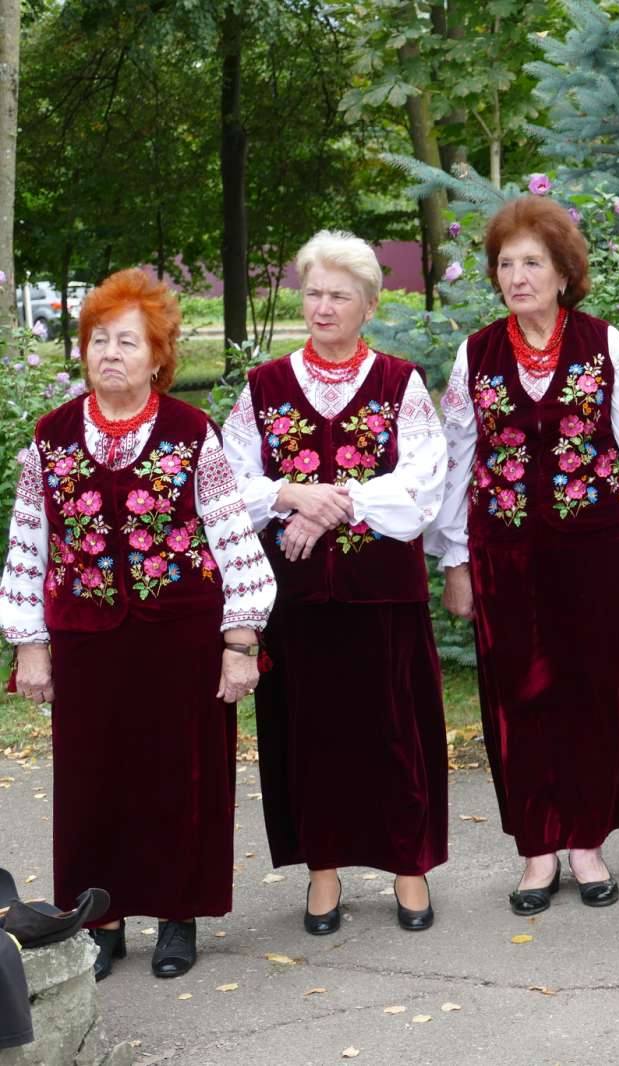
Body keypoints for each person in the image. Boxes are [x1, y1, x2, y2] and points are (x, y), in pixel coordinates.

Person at [1, 269, 275, 978]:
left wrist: (240, 641)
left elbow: (232, 538)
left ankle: (177, 918)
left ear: (158, 357)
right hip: (87, 642)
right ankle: (101, 921)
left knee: (178, 779)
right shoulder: (52, 437)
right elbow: (29, 545)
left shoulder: (192, 433)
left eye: (128, 341)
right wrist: (30, 645)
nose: (111, 353)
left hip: (179, 639)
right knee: (93, 785)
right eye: (99, 340)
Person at [430, 195, 619, 913]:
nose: (518, 276)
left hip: (596, 551)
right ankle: (537, 849)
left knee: (594, 693)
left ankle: (587, 842)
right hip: (505, 556)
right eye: (506, 264)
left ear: (564, 273)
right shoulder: (476, 353)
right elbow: (456, 461)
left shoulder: (604, 344)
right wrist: (454, 560)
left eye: (533, 263)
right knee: (520, 700)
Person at [222, 231, 449, 933]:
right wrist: (291, 493)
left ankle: (407, 866)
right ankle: (323, 871)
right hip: (297, 600)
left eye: (339, 296)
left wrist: (335, 503)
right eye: (314, 293)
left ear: (368, 306)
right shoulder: (264, 386)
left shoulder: (399, 382)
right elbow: (225, 485)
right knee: (311, 735)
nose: (323, 307)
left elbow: (423, 482)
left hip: (382, 593)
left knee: (394, 732)